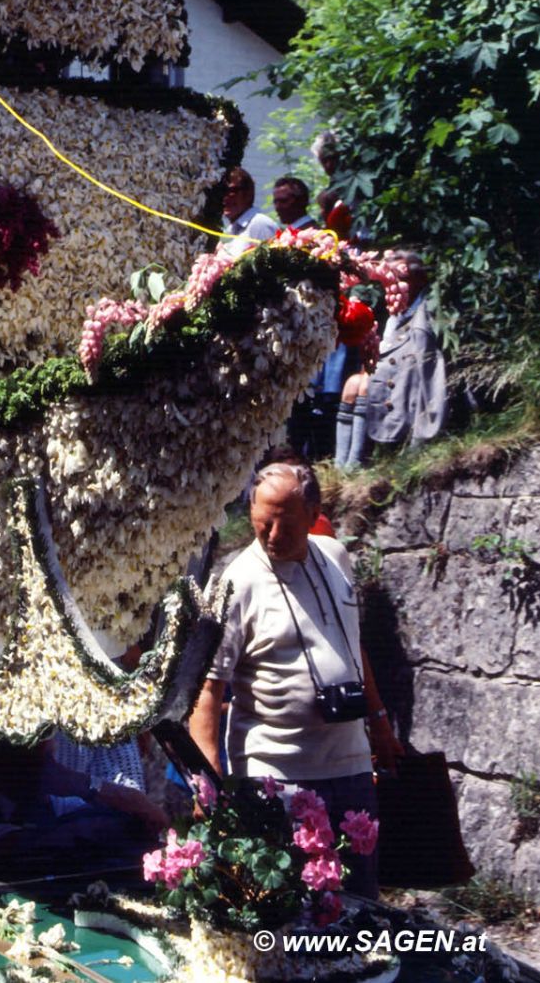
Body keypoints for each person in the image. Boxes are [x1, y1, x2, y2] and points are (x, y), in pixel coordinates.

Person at [188, 462, 402, 899]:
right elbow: (207, 687)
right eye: (262, 523)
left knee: (359, 897)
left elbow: (354, 648)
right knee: (291, 909)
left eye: (283, 525)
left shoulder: (336, 556)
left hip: (352, 765)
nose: (270, 537)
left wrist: (379, 724)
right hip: (278, 776)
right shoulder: (235, 583)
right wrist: (206, 778)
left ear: (313, 513)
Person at [335, 251, 446, 468]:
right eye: (390, 279)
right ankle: (343, 465)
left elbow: (428, 374)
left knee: (363, 384)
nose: (395, 285)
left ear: (420, 279)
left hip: (402, 386)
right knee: (352, 384)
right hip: (387, 379)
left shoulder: (424, 317)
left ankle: (356, 464)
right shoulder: (396, 309)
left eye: (402, 279)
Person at [221, 168, 279, 252]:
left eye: (232, 191)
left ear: (248, 194)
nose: (225, 197)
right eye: (222, 191)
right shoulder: (231, 229)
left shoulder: (260, 224)